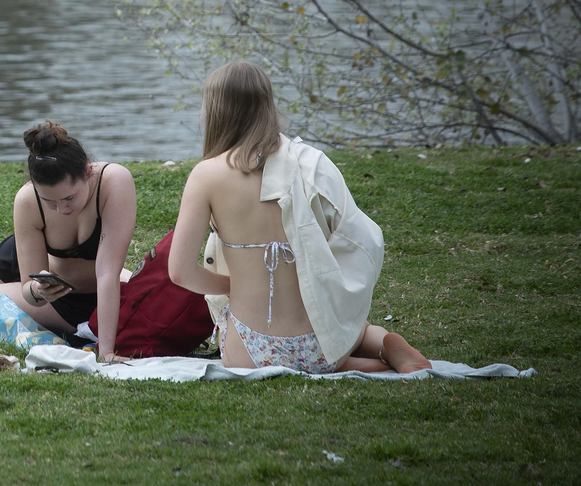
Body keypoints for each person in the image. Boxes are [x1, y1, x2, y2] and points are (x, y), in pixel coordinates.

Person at [168, 62, 432, 373]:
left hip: (250, 350)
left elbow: (180, 271)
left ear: (214, 111)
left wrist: (232, 285)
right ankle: (383, 345)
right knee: (353, 328)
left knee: (298, 352)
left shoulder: (206, 175)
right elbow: (362, 237)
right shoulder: (309, 163)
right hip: (320, 342)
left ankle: (364, 364)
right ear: (266, 104)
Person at [0, 121, 137, 364]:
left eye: (69, 197)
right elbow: (29, 288)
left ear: (88, 172)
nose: (62, 209)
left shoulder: (114, 182)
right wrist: (37, 290)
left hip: (70, 298)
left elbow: (108, 273)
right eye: (49, 201)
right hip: (30, 264)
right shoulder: (27, 198)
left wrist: (106, 352)